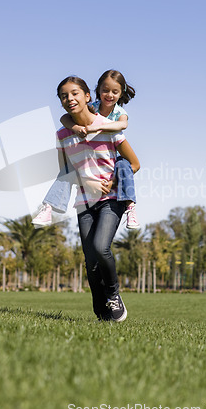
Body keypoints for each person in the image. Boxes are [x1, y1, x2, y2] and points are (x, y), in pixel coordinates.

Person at [55, 75, 140, 321]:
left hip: (111, 198)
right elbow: (65, 172)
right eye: (64, 96)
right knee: (90, 260)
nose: (69, 99)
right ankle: (101, 310)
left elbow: (134, 163)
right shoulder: (63, 134)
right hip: (84, 202)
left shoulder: (107, 126)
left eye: (74, 93)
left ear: (87, 96)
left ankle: (113, 295)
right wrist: (86, 182)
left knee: (100, 248)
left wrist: (113, 182)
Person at [32, 70, 139, 229]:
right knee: (67, 170)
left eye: (114, 92)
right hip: (91, 171)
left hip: (113, 159)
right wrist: (75, 128)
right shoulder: (92, 107)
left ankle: (130, 206)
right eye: (105, 90)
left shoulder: (119, 112)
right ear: (97, 92)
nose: (109, 95)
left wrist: (99, 128)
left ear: (120, 93)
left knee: (124, 165)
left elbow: (123, 125)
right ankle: (48, 206)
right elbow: (64, 117)